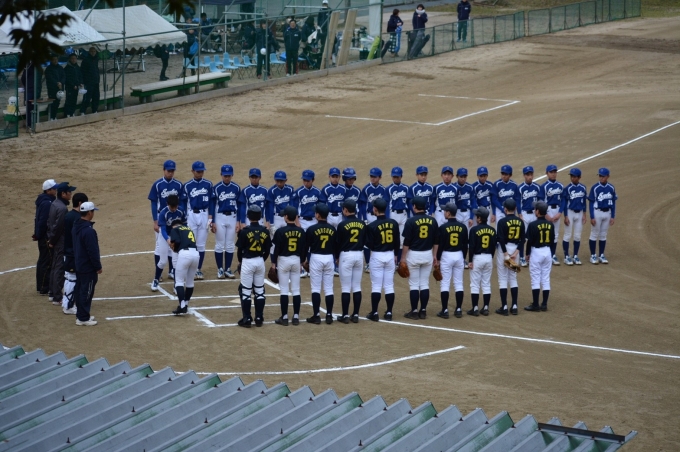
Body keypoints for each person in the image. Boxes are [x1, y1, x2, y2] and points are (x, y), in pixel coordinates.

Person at [401, 196, 438, 320]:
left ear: (414, 207)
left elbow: (406, 242)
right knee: (424, 284)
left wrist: (403, 258)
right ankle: (423, 311)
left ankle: (414, 311)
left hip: (414, 255)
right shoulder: (433, 221)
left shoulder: (411, 221)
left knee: (414, 285)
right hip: (427, 254)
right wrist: (434, 255)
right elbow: (436, 241)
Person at [236, 205, 272, 327]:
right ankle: (259, 317)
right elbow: (267, 250)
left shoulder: (244, 231)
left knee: (246, 291)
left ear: (248, 216)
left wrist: (240, 262)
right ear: (260, 216)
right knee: (259, 291)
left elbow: (239, 251)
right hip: (260, 261)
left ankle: (247, 318)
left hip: (247, 262)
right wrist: (262, 259)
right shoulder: (265, 231)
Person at [365, 198, 399, 321]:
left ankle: (374, 313)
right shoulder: (394, 223)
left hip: (377, 256)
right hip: (390, 255)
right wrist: (396, 255)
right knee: (389, 285)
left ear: (375, 209)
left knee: (376, 286)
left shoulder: (372, 226)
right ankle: (389, 312)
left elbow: (369, 244)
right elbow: (397, 241)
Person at [433, 202, 468, 319]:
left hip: (446, 255)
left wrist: (438, 259)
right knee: (458, 283)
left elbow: (441, 245)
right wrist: (463, 257)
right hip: (459, 255)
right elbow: (465, 245)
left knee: (445, 283)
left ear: (448, 213)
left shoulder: (443, 227)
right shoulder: (463, 227)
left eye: (445, 211)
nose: (444, 212)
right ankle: (458, 309)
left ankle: (445, 310)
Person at [272, 206, 307, 326]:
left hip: (284, 260)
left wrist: (273, 263)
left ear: (286, 217)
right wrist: (302, 261)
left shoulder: (280, 231)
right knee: (296, 290)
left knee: (284, 290)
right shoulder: (301, 231)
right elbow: (304, 249)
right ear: (296, 217)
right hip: (296, 260)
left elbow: (276, 249)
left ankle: (285, 317)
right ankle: (296, 316)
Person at [149, 160, 183, 282]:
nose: (170, 173)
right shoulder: (157, 184)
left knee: (172, 246)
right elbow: (153, 203)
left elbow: (181, 202)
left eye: (172, 171)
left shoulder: (179, 185)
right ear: (164, 170)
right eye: (168, 171)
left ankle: (171, 271)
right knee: (159, 246)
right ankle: (159, 273)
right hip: (161, 217)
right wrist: (155, 221)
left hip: (174, 218)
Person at [334, 200, 366, 323]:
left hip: (346, 255)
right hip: (359, 255)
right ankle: (356, 315)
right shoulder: (362, 223)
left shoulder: (342, 225)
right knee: (357, 286)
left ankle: (345, 315)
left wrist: (337, 257)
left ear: (346, 210)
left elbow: (338, 243)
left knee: (346, 287)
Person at [182, 161, 214, 280]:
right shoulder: (187, 185)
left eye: (202, 171)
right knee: (191, 243)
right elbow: (183, 203)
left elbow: (212, 202)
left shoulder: (208, 184)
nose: (200, 173)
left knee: (201, 245)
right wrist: (184, 218)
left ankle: (198, 269)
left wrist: (211, 217)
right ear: (192, 171)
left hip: (204, 215)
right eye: (198, 171)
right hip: (191, 215)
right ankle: (190, 269)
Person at [305, 203, 336, 324]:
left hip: (316, 258)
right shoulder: (332, 229)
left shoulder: (311, 229)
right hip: (329, 257)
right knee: (329, 288)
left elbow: (306, 246)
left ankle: (316, 316)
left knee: (316, 288)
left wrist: (304, 260)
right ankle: (329, 315)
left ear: (318, 215)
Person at [72, 202, 102, 326]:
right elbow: (92, 251)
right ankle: (83, 318)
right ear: (89, 213)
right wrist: (98, 266)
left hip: (79, 263)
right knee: (86, 291)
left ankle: (81, 314)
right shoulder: (89, 231)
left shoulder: (76, 226)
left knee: (80, 290)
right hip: (87, 267)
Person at [47, 182, 76, 306]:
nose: (71, 194)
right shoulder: (62, 208)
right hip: (60, 241)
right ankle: (57, 296)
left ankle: (52, 293)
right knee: (59, 269)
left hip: (55, 240)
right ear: (63, 194)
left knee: (55, 267)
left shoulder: (55, 203)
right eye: (69, 192)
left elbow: (50, 224)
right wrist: (53, 241)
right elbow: (58, 227)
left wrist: (51, 239)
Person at [495, 199, 524, 315]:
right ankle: (515, 306)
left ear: (505, 209)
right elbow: (523, 239)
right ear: (515, 209)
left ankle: (504, 307)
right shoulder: (520, 221)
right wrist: (515, 253)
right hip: (515, 250)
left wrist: (506, 254)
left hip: (504, 251)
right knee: (513, 278)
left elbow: (500, 239)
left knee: (502, 278)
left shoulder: (502, 222)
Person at [151, 195, 187, 291]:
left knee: (175, 262)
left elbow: (185, 224)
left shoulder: (181, 211)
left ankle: (176, 285)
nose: (174, 209)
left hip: (176, 237)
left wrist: (183, 235)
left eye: (175, 206)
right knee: (163, 261)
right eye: (172, 207)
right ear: (167, 204)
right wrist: (168, 240)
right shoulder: (163, 213)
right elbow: (163, 229)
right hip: (164, 237)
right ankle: (156, 279)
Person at [524, 201, 555, 312]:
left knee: (535, 279)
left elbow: (529, 241)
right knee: (545, 278)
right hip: (547, 251)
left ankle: (536, 305)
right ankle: (544, 304)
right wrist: (551, 253)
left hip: (536, 252)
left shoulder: (532, 225)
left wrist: (527, 253)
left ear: (537, 211)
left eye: (535, 209)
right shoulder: (550, 224)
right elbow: (552, 241)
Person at [467, 206, 497, 316]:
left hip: (477, 258)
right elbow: (493, 246)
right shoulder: (492, 230)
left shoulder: (474, 230)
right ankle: (486, 307)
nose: (475, 217)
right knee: (486, 284)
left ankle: (475, 308)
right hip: (488, 257)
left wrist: (470, 261)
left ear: (479, 218)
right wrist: (491, 257)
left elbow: (472, 246)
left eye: (477, 216)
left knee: (475, 284)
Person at [212, 164, 240, 279]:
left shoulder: (236, 188)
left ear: (232, 175)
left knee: (230, 245)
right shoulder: (216, 188)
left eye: (229, 175)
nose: (227, 178)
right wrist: (213, 221)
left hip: (233, 217)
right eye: (225, 175)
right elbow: (212, 205)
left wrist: (238, 221)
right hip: (220, 217)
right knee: (219, 244)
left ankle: (227, 268)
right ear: (221, 175)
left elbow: (239, 205)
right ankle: (220, 269)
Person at [62, 192, 88, 314]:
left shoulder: (68, 215)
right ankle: (68, 306)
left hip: (68, 251)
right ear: (80, 203)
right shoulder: (77, 218)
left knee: (69, 278)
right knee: (72, 279)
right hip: (73, 253)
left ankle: (68, 304)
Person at [359, 167, 387, 272]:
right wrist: (365, 218)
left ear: (380, 177)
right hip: (369, 216)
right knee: (367, 240)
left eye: (375, 177)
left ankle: (380, 261)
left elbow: (385, 204)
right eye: (371, 176)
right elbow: (362, 205)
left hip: (379, 216)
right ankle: (367, 263)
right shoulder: (366, 188)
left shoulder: (383, 189)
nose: (372, 178)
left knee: (379, 238)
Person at [169, 220, 200, 315]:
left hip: (185, 254)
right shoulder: (189, 229)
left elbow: (177, 241)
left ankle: (182, 306)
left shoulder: (175, 229)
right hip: (196, 254)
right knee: (190, 281)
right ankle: (185, 304)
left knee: (179, 281)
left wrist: (175, 248)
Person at [588, 167, 617, 264]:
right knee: (594, 234)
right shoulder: (595, 188)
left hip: (607, 213)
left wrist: (612, 216)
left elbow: (613, 203)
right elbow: (591, 203)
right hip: (597, 212)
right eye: (600, 176)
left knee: (603, 235)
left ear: (608, 176)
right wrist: (592, 217)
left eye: (603, 176)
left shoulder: (611, 187)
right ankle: (593, 255)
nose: (601, 178)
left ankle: (601, 255)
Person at [517, 166, 544, 267]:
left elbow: (540, 201)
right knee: (522, 238)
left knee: (533, 237)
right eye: (527, 175)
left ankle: (530, 256)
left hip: (534, 214)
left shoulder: (537, 187)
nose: (529, 177)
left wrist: (538, 213)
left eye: (531, 174)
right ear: (524, 175)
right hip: (524, 214)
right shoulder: (520, 188)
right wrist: (519, 213)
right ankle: (521, 257)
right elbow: (518, 202)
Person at [34, 180, 57, 295]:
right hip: (46, 236)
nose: (56, 190)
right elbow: (43, 221)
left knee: (43, 260)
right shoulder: (47, 203)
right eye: (54, 188)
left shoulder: (44, 201)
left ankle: (41, 286)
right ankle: (44, 286)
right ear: (48, 190)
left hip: (42, 235)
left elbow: (38, 219)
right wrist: (40, 234)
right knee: (47, 261)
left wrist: (37, 233)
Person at [561, 167, 587, 266]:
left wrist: (584, 214)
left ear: (579, 177)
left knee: (577, 235)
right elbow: (564, 203)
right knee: (567, 235)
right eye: (571, 176)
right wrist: (565, 216)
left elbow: (584, 202)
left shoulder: (583, 187)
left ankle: (575, 255)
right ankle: (566, 256)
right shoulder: (567, 188)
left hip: (580, 213)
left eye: (575, 176)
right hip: (570, 212)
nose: (573, 178)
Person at [386, 167, 409, 265]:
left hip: (403, 214)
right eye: (394, 177)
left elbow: (409, 203)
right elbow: (386, 204)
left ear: (401, 176)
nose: (396, 178)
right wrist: (387, 217)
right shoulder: (388, 189)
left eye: (397, 177)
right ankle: (392, 261)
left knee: (402, 239)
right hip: (393, 214)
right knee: (393, 238)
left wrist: (409, 215)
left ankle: (399, 261)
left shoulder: (406, 188)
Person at [542, 164, 564, 265]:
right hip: (547, 210)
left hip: (557, 211)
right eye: (551, 172)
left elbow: (563, 201)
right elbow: (541, 202)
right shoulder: (543, 186)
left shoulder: (560, 186)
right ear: (547, 173)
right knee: (545, 233)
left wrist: (560, 213)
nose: (553, 174)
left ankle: (553, 254)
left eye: (555, 172)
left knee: (555, 234)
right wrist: (546, 215)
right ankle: (544, 254)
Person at [21, 62, 42, 128]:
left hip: (37, 90)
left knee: (35, 107)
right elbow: (23, 78)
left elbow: (39, 79)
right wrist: (28, 86)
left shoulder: (39, 68)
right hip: (30, 91)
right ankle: (29, 124)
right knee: (29, 107)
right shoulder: (28, 67)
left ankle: (35, 122)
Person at [80, 47, 100, 115]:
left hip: (96, 81)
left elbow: (96, 70)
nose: (93, 53)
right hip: (88, 82)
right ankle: (83, 111)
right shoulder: (86, 60)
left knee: (96, 97)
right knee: (87, 98)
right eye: (91, 51)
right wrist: (84, 81)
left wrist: (98, 79)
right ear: (89, 52)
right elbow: (82, 71)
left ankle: (94, 110)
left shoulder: (96, 59)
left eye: (94, 51)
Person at [45, 56, 65, 121]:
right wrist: (57, 83)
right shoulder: (48, 69)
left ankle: (54, 116)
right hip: (52, 88)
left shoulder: (60, 67)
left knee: (57, 103)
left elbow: (63, 76)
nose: (55, 61)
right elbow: (50, 78)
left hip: (60, 88)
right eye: (54, 59)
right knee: (52, 102)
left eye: (56, 59)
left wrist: (61, 83)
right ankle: (51, 116)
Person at [64, 53, 82, 118]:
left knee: (74, 100)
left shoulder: (77, 67)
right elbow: (67, 78)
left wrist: (80, 83)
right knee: (69, 100)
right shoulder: (67, 68)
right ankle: (67, 113)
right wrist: (72, 85)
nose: (73, 60)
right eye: (72, 59)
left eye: (75, 58)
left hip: (76, 86)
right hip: (69, 87)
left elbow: (79, 76)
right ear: (69, 59)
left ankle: (72, 112)